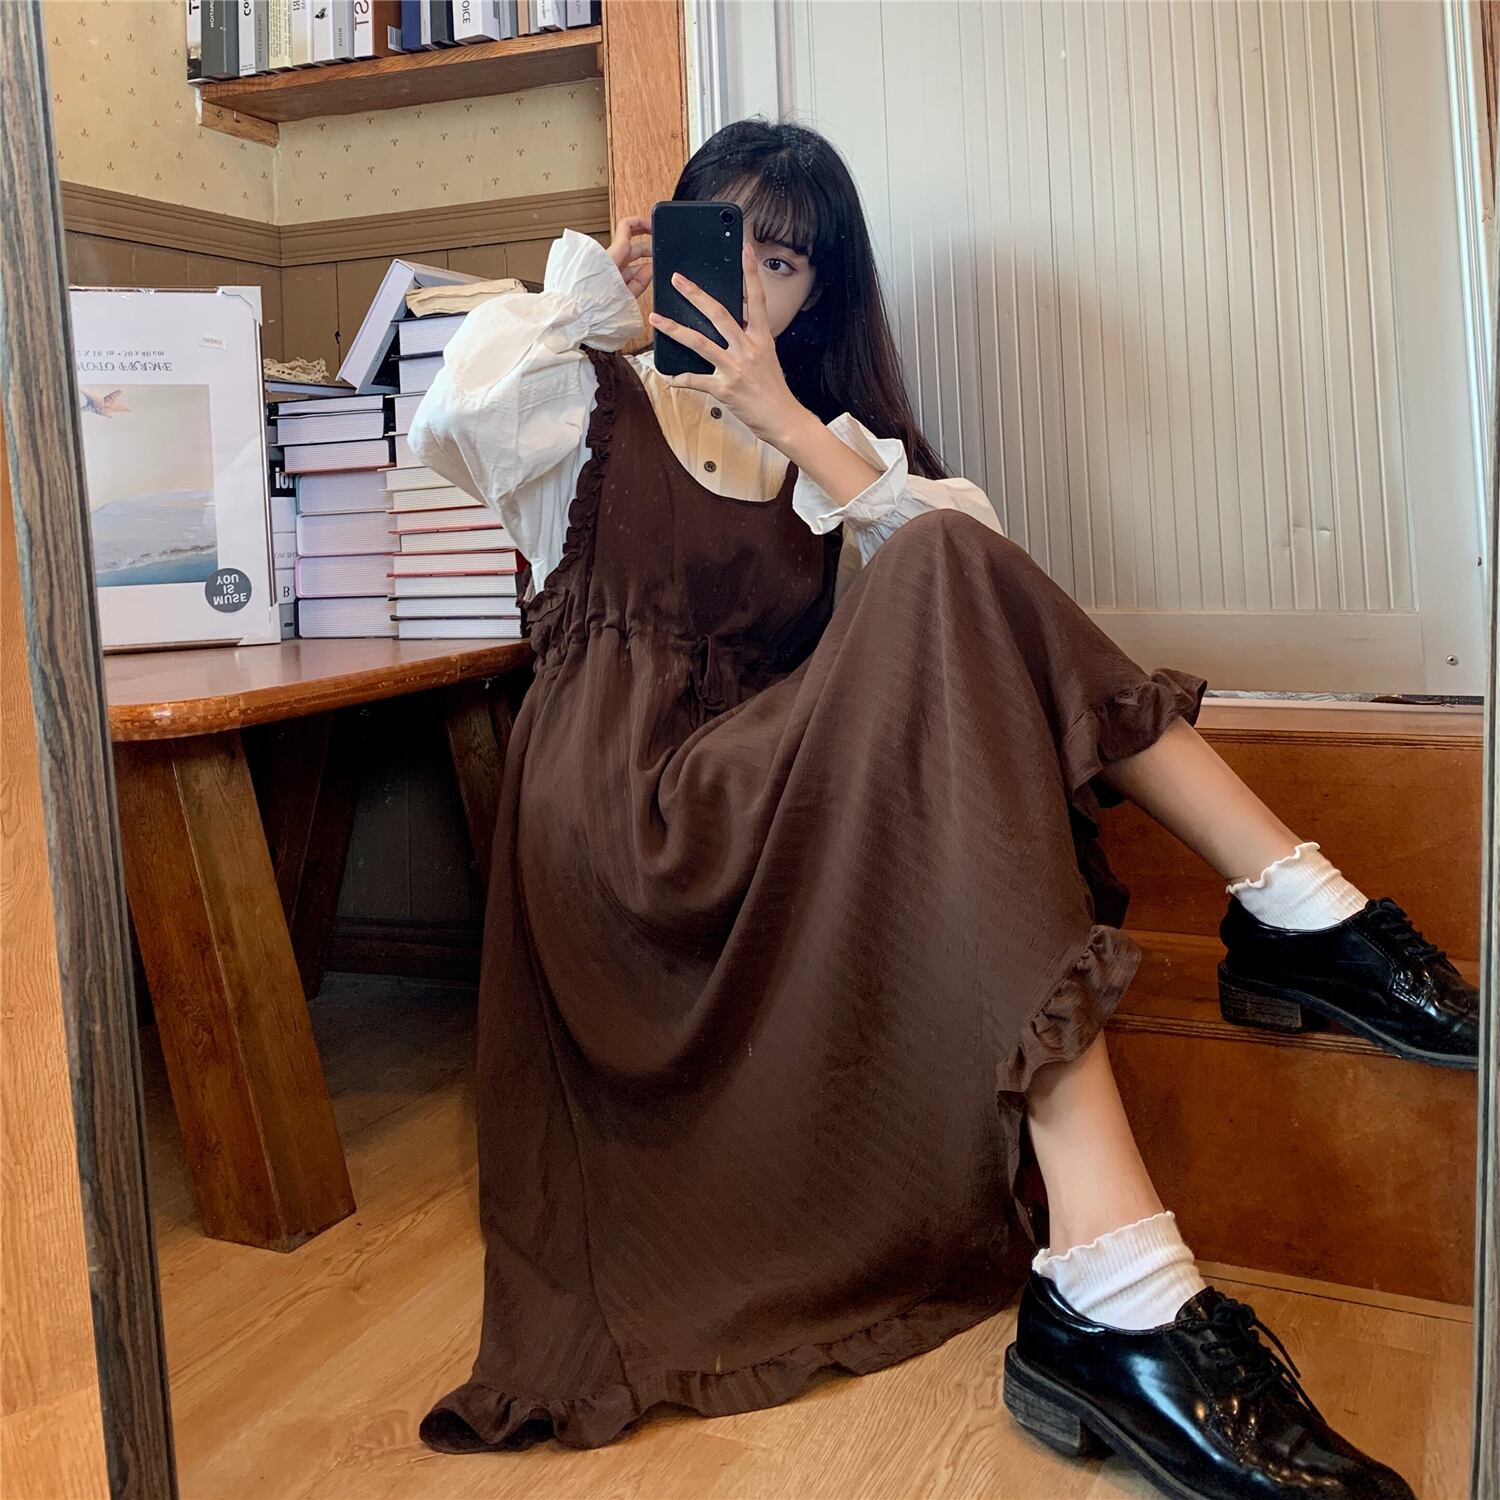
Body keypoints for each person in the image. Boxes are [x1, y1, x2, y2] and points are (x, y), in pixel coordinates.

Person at [408, 119, 1474, 1499]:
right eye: (726, 242)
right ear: (668, 241)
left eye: (786, 262)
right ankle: (1295, 927)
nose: (751, 283)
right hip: (621, 835)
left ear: (819, 292)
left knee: (944, 560)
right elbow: (446, 424)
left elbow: (981, 582)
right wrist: (590, 308)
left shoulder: (825, 446)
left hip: (767, 813)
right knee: (940, 570)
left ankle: (1139, 1237)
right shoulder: (574, 395)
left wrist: (788, 424)